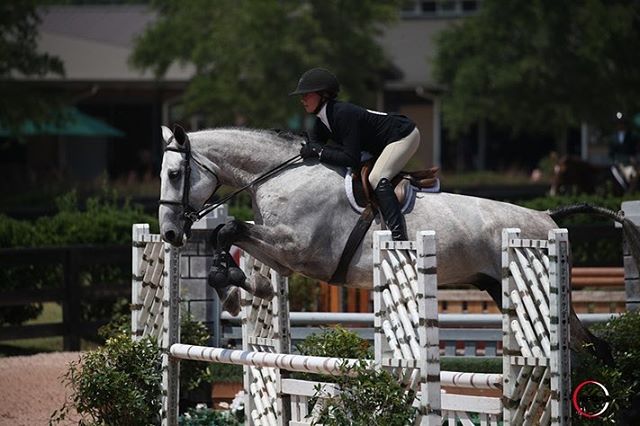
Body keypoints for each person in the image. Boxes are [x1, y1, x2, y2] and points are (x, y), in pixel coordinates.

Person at [290, 67, 420, 241]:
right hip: (381, 144)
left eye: (306, 94)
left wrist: (319, 151)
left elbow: (350, 158)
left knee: (376, 178)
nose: (302, 99)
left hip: (402, 135)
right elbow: (315, 147)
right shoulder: (321, 121)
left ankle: (399, 237)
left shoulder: (342, 114)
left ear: (323, 95)